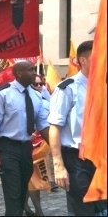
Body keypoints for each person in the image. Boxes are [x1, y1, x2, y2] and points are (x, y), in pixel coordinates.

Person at [48, 40, 107, 216]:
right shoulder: (67, 89)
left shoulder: (103, 86)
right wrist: (58, 165)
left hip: (102, 157)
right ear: (83, 60)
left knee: (102, 206)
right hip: (77, 158)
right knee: (82, 208)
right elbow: (55, 127)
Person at [0, 60, 50, 216]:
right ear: (19, 73)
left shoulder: (36, 96)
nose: (35, 73)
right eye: (30, 70)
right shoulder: (2, 93)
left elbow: (42, 125)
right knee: (13, 192)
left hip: (25, 148)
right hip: (7, 148)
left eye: (34, 69)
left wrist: (57, 148)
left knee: (22, 191)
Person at [23, 74, 56, 216]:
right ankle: (37, 210)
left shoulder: (46, 101)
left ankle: (30, 206)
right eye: (35, 84)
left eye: (41, 84)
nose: (39, 86)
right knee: (31, 178)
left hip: (41, 145)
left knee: (36, 178)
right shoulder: (22, 100)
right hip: (26, 145)